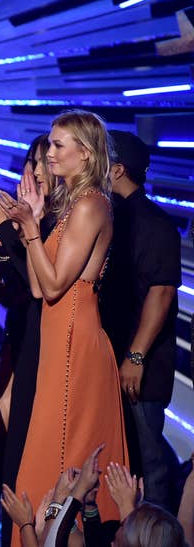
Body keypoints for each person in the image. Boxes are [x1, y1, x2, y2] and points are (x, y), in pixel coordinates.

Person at [5, 109, 129, 545]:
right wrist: (32, 227)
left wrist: (30, 231)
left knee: (63, 453)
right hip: (60, 335)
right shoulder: (71, 205)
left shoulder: (92, 203)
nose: (49, 152)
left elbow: (57, 285)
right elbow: (41, 291)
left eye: (59, 145)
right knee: (48, 448)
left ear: (86, 152)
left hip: (77, 338)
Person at [0, 134, 56, 546]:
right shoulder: (20, 216)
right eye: (32, 161)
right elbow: (2, 284)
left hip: (52, 339)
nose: (36, 170)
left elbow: (44, 286)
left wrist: (13, 232)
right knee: (0, 437)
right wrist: (0, 238)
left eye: (44, 161)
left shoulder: (61, 218)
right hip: (19, 332)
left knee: (30, 437)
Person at [100, 130, 181, 513]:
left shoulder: (152, 222)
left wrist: (135, 357)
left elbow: (162, 292)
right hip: (110, 355)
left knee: (149, 466)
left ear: (116, 170)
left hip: (140, 368)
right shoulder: (107, 215)